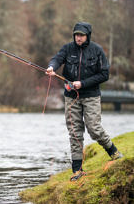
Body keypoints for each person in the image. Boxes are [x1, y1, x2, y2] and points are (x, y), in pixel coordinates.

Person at [46, 22, 123, 181]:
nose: (78, 38)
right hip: (71, 97)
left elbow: (104, 75)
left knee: (94, 128)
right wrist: (52, 67)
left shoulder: (97, 50)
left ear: (87, 36)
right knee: (74, 132)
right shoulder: (67, 48)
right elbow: (57, 59)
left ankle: (113, 152)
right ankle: (77, 170)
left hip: (91, 96)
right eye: (76, 35)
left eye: (81, 35)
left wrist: (83, 83)